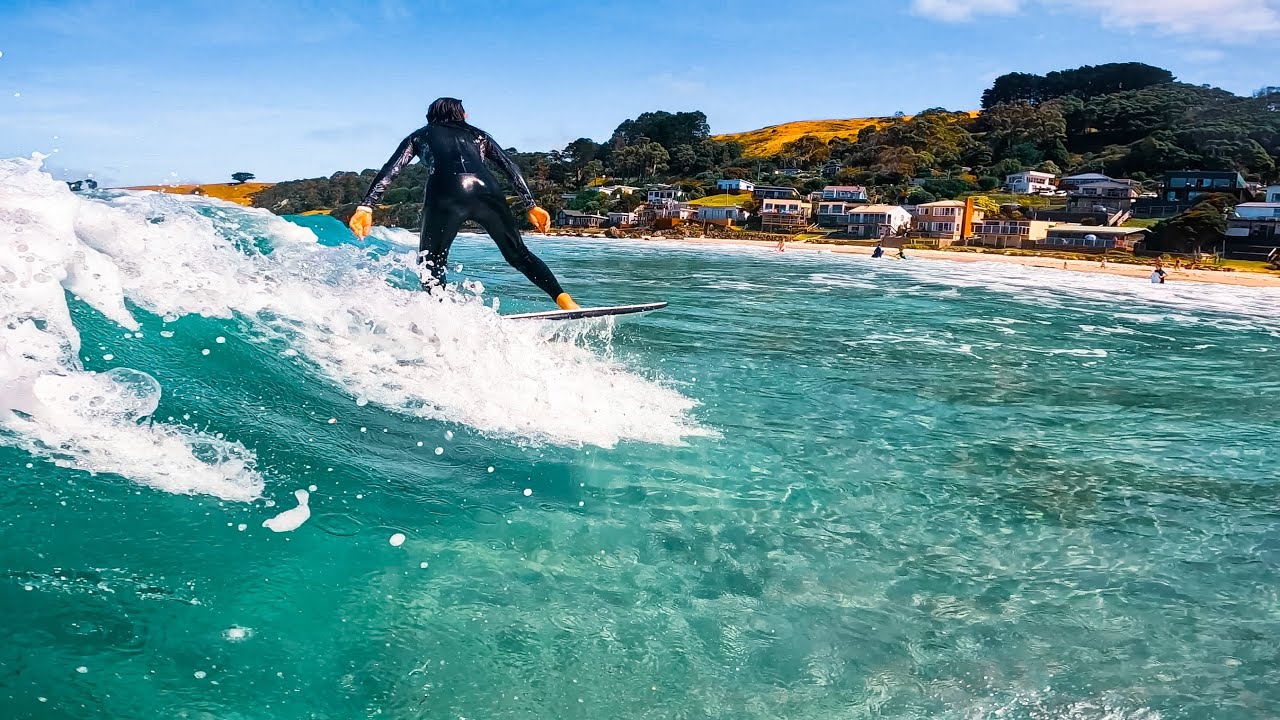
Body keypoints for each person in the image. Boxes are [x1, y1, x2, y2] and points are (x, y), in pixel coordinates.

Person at [348, 97, 578, 310]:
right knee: (519, 254)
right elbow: (509, 166)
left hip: (445, 192)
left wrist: (366, 206)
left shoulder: (419, 136)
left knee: (431, 262)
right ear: (461, 115)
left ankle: (441, 314)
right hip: (486, 189)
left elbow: (392, 169)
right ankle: (565, 301)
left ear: (430, 116)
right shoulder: (478, 135)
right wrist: (531, 205)